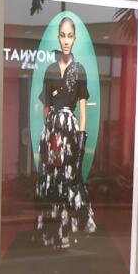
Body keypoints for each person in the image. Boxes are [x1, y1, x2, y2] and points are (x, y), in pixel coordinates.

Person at [35, 16, 97, 248]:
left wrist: (81, 140)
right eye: (62, 35)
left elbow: (83, 110)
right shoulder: (50, 70)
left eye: (70, 36)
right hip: (53, 132)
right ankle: (52, 232)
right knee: (53, 180)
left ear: (75, 38)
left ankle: (68, 231)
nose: (66, 40)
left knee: (70, 179)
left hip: (70, 132)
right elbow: (45, 108)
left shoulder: (79, 70)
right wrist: (50, 132)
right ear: (58, 37)